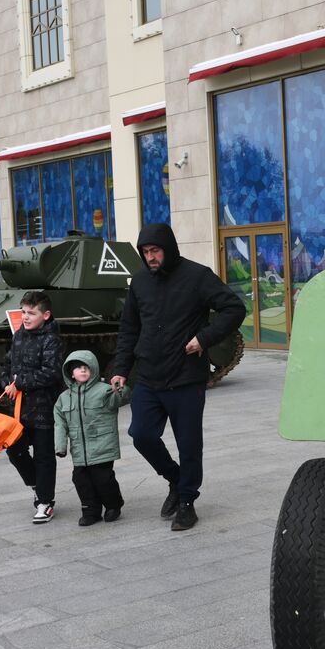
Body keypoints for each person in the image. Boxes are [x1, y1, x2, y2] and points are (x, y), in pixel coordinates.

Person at [109, 223, 245, 532]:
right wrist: (119, 368)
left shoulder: (197, 276)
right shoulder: (140, 282)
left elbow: (234, 308)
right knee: (141, 434)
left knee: (189, 445)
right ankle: (174, 478)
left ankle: (187, 502)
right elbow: (129, 328)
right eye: (145, 252)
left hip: (185, 378)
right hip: (148, 376)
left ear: (168, 249)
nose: (150, 257)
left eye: (155, 251)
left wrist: (204, 338)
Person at [1, 290, 65, 523]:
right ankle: (37, 485)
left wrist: (19, 383)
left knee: (44, 456)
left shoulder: (52, 340)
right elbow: (7, 363)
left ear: (46, 315)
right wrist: (6, 381)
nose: (25, 317)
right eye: (23, 312)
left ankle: (45, 502)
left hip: (45, 409)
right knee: (14, 450)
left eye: (31, 313)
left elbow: (51, 373)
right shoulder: (19, 335)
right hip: (19, 409)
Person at [53, 349, 132, 526]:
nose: (83, 370)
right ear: (70, 373)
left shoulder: (104, 391)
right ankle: (91, 511)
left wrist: (120, 389)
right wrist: (60, 447)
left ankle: (113, 505)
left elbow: (120, 399)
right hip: (79, 450)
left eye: (86, 367)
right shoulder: (63, 398)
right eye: (78, 368)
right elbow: (60, 424)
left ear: (94, 370)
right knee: (81, 481)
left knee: (103, 479)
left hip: (102, 445)